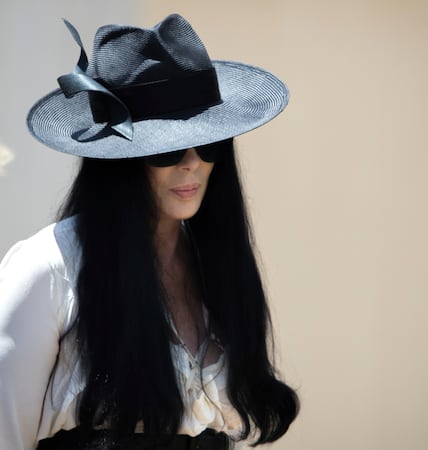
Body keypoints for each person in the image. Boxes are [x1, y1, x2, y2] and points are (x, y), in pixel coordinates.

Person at [0, 14, 299, 450]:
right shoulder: (47, 268)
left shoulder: (215, 263)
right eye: (168, 148)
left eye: (211, 142)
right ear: (118, 159)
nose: (192, 162)